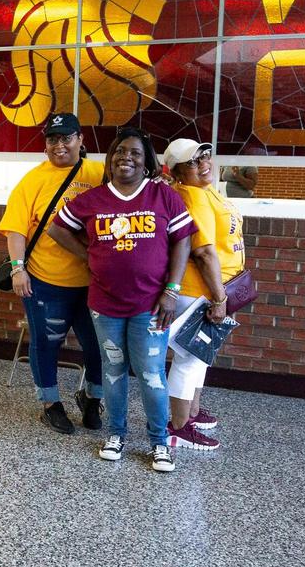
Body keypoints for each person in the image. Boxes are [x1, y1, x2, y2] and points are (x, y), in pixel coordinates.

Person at [50, 126, 196, 473]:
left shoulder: (163, 197)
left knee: (151, 374)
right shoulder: (93, 199)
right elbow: (58, 228)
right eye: (119, 151)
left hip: (151, 307)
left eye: (134, 153)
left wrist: (171, 291)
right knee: (113, 371)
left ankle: (159, 442)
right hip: (105, 306)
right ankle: (116, 434)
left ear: (146, 162)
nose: (125, 157)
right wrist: (89, 255)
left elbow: (183, 242)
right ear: (110, 159)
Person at [0, 112, 105, 434]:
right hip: (45, 281)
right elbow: (15, 229)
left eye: (66, 138)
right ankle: (50, 403)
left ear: (80, 139)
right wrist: (18, 270)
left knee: (99, 347)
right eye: (52, 139)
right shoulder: (32, 181)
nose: (59, 145)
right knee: (45, 343)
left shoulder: (99, 174)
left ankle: (91, 397)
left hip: (93, 284)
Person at [160, 139, 248, 451]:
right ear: (176, 172)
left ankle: (192, 413)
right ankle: (178, 427)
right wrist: (220, 299)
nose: (204, 164)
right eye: (194, 162)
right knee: (190, 360)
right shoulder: (192, 198)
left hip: (215, 290)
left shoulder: (206, 190)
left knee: (200, 358)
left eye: (205, 156)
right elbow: (205, 253)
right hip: (201, 292)